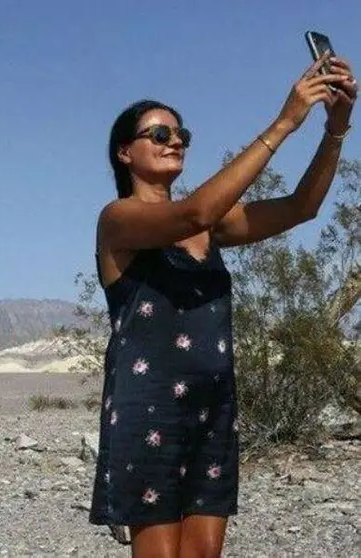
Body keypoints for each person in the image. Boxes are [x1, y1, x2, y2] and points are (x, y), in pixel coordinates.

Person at [89, 51, 356, 558]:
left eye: (181, 134)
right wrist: (284, 122)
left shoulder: (208, 228)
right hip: (151, 412)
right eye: (160, 134)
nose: (176, 141)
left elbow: (302, 207)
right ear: (125, 152)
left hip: (212, 408)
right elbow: (194, 213)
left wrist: (335, 130)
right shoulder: (118, 221)